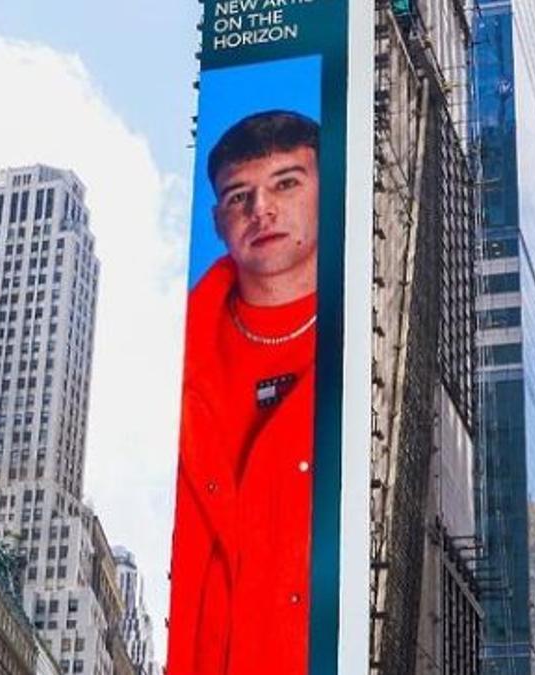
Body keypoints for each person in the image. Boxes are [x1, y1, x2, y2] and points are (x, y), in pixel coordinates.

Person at [167, 110, 320, 675]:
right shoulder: (179, 359)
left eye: (286, 182)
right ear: (217, 219)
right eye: (239, 197)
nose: (263, 211)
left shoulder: (367, 340)